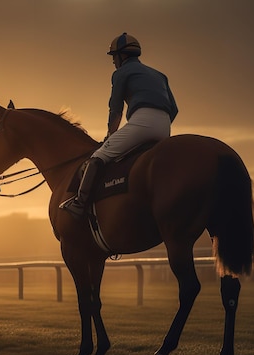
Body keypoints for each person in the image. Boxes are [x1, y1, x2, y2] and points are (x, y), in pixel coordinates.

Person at [60, 32, 178, 218]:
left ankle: (79, 203)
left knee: (98, 156)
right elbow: (175, 109)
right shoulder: (160, 75)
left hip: (142, 120)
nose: (113, 62)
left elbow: (115, 109)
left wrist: (110, 135)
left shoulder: (121, 73)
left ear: (122, 55)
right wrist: (159, 127)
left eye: (114, 57)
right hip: (165, 125)